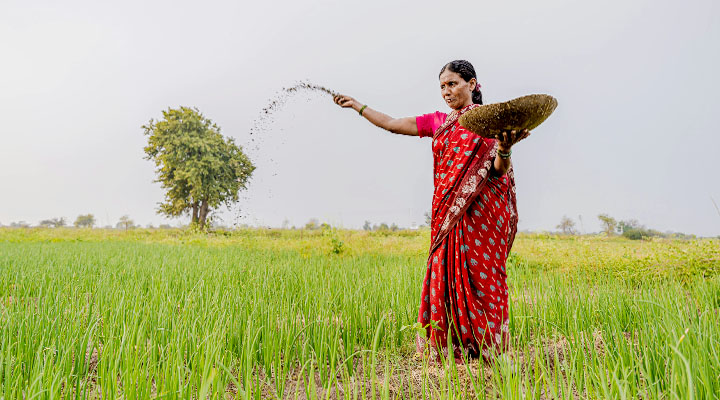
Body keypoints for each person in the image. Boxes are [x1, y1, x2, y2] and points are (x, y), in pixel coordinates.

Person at [333, 60, 530, 361]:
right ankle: (449, 349)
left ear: (472, 85)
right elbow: (392, 123)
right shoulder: (440, 122)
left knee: (482, 277)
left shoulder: (489, 122)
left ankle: (488, 349)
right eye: (442, 86)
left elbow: (498, 172)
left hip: (479, 218)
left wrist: (504, 149)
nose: (446, 91)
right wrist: (358, 106)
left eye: (452, 84)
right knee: (446, 275)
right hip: (446, 219)